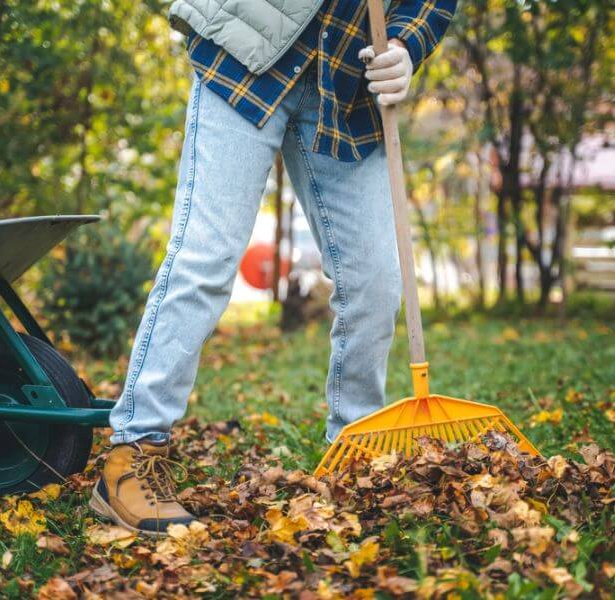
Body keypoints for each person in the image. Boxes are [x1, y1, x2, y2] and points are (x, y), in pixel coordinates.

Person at [90, 0, 457, 534]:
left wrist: (404, 44)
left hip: (346, 83)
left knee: (377, 277)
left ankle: (352, 451)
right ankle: (133, 453)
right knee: (206, 257)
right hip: (246, 53)